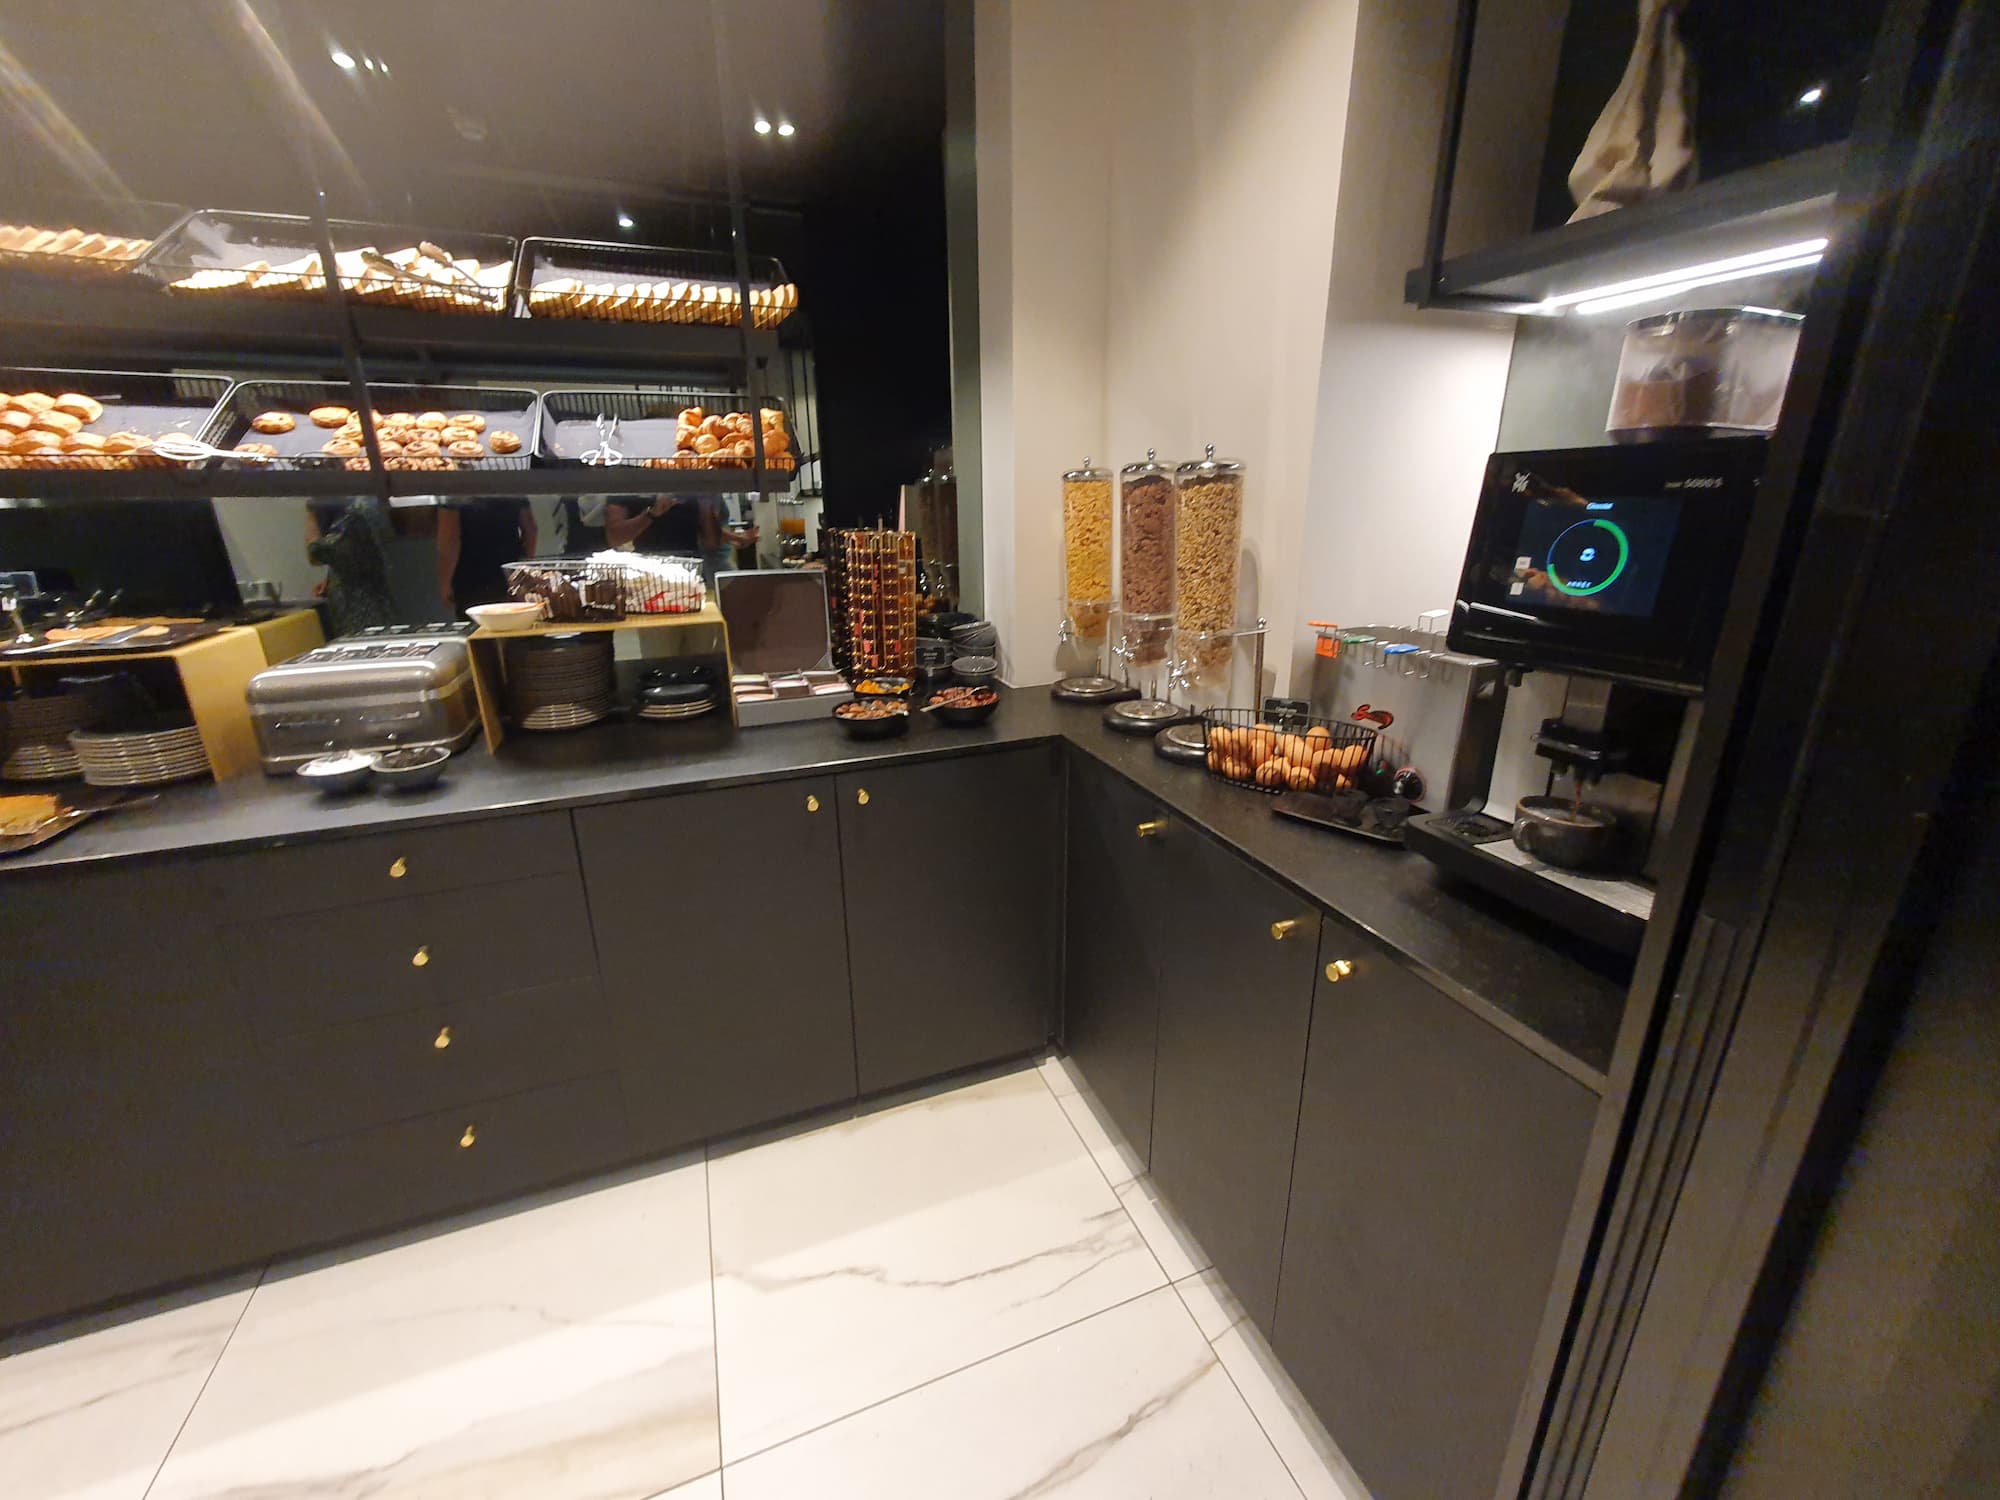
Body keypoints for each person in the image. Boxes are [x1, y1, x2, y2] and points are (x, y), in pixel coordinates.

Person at [305, 498, 397, 637]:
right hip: (373, 598)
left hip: (360, 607)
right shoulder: (366, 505)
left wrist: (311, 513)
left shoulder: (355, 515)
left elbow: (316, 554)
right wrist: (330, 578)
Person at [437, 497, 536, 613]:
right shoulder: (511, 486)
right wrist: (523, 570)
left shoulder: (453, 489)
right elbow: (530, 529)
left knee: (479, 622)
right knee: (514, 620)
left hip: (472, 577)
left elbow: (450, 538)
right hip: (509, 573)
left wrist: (445, 583)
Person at [604, 493, 702, 555]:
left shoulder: (689, 478)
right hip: (644, 564)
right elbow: (614, 537)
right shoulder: (626, 481)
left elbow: (709, 540)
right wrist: (651, 513)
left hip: (691, 562)